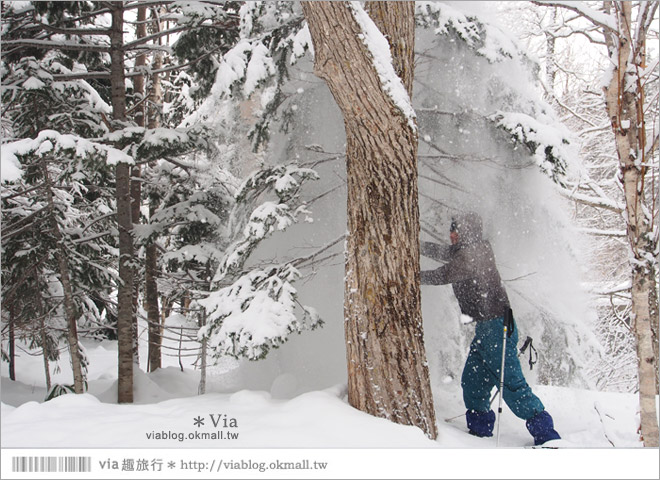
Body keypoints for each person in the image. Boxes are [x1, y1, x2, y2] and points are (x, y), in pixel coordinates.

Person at [420, 211, 561, 446]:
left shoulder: (477, 253)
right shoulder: (464, 251)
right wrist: (413, 244)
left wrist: (406, 275)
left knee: (512, 385)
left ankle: (547, 435)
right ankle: (478, 433)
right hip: (486, 329)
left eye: (456, 230)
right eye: (451, 230)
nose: (452, 234)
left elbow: (442, 274)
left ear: (467, 233)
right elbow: (442, 252)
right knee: (473, 382)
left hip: (497, 328)